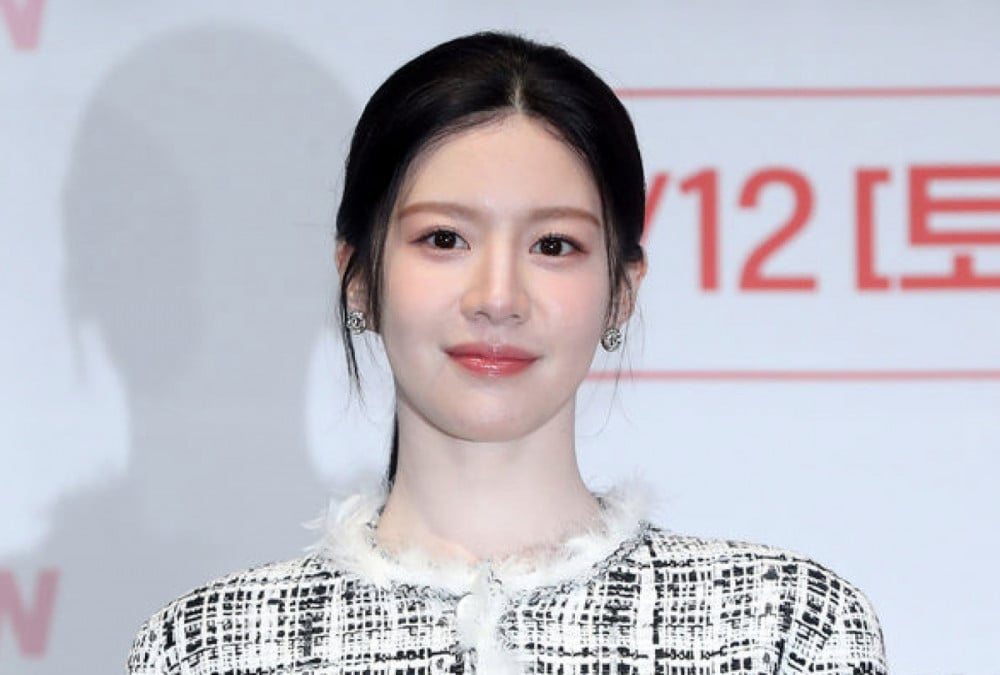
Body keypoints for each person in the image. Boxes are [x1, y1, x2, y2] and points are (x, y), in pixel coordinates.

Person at [128, 32, 887, 674]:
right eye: (444, 238)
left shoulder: (780, 629)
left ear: (621, 290)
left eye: (553, 245)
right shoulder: (207, 650)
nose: (498, 297)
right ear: (358, 277)